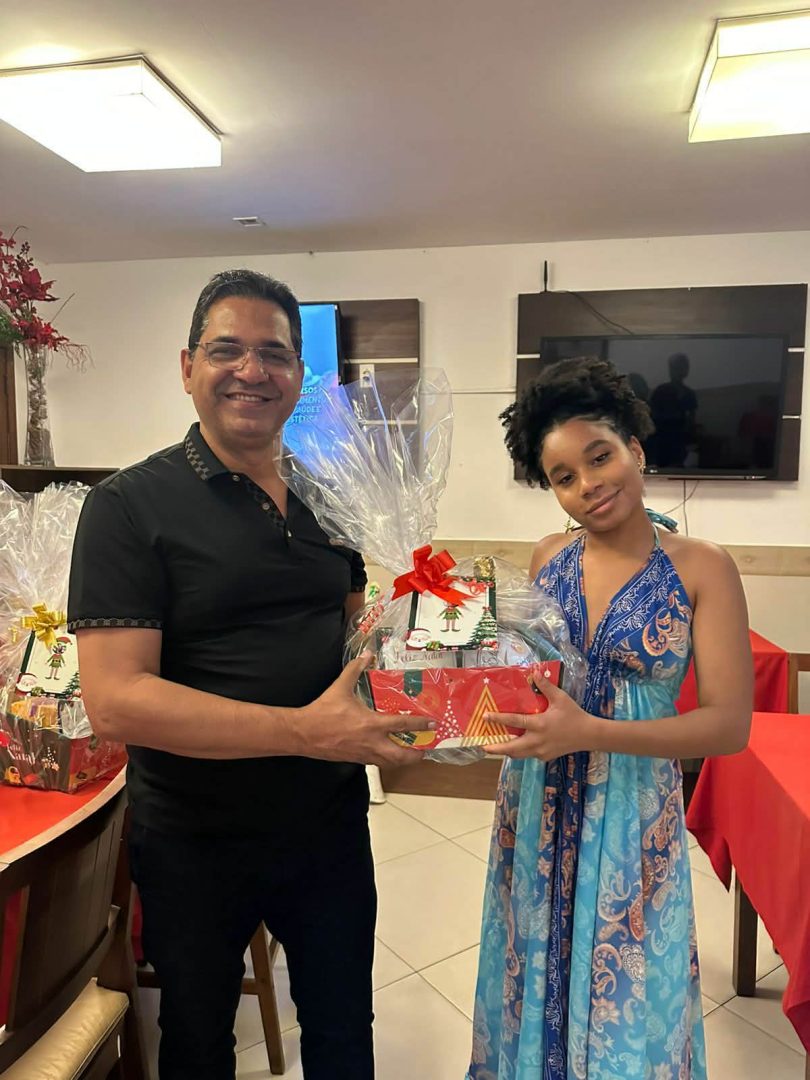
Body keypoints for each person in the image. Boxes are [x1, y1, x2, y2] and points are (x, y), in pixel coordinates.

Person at [67, 269, 427, 1080]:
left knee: (343, 1029)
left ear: (299, 374)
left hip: (328, 825)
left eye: (275, 354)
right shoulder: (128, 506)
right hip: (195, 838)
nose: (252, 371)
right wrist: (305, 731)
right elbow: (116, 702)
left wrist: (430, 653)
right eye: (227, 349)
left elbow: (354, 632)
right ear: (187, 366)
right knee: (199, 1043)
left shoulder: (333, 497)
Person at [467, 356, 752, 1079]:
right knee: (531, 958)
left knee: (627, 982)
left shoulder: (702, 567)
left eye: (600, 457)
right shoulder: (546, 558)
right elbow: (525, 679)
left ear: (636, 449)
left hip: (631, 810)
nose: (589, 485)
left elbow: (729, 725)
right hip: (537, 800)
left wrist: (589, 732)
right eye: (564, 476)